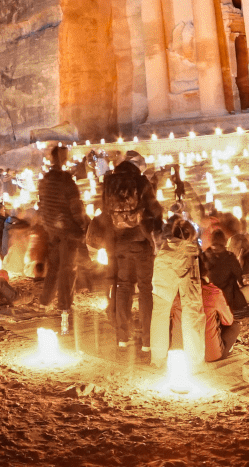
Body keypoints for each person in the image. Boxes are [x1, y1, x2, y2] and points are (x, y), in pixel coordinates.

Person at [101, 151, 161, 359]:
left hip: (119, 243)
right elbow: (155, 209)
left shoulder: (108, 181)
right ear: (138, 166)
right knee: (145, 289)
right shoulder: (141, 181)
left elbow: (104, 213)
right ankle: (146, 341)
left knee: (123, 287)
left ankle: (122, 338)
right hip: (140, 241)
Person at [37, 145, 86, 331]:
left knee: (55, 266)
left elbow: (41, 205)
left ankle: (44, 302)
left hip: (52, 230)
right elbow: (75, 207)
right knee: (68, 269)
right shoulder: (66, 180)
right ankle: (65, 308)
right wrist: (81, 227)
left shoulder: (45, 180)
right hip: (67, 230)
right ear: (62, 158)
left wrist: (48, 225)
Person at [149, 220, 205, 372]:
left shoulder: (164, 250)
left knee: (160, 313)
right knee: (192, 311)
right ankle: (194, 358)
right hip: (187, 260)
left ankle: (157, 358)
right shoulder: (190, 251)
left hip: (164, 264)